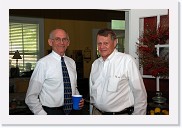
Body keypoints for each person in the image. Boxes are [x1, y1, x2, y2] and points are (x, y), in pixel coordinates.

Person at [25, 28, 84, 115]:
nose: (62, 42)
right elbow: (30, 97)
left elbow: (73, 87)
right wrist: (42, 115)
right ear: (50, 42)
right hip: (51, 112)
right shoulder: (42, 63)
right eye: (57, 39)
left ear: (68, 43)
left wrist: (78, 99)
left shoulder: (72, 62)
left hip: (73, 111)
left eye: (64, 39)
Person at [89, 28, 147, 115]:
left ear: (115, 42)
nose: (102, 47)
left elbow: (140, 94)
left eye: (106, 43)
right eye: (99, 43)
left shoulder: (127, 61)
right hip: (96, 113)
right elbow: (92, 93)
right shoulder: (95, 64)